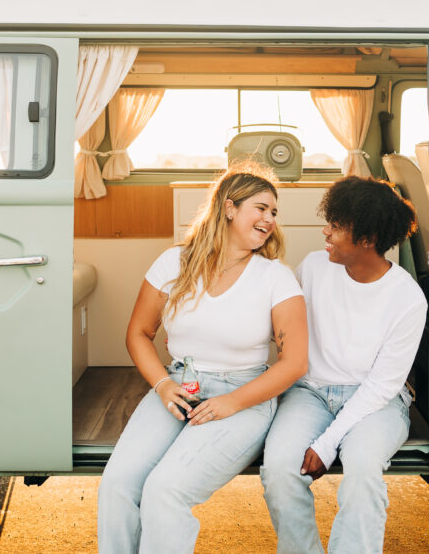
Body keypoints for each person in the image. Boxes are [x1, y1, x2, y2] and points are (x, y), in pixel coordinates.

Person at [97, 165, 308, 554]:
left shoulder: (275, 276)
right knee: (117, 484)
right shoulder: (173, 262)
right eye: (261, 208)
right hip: (179, 387)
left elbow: (294, 363)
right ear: (229, 208)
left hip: (243, 395)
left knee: (165, 490)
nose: (269, 220)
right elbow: (138, 334)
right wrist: (163, 385)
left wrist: (231, 403)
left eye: (274, 213)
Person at [260, 176, 428, 554]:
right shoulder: (314, 267)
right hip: (310, 392)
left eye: (336, 227)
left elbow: (383, 386)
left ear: (367, 239)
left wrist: (328, 441)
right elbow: (284, 326)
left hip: (377, 403)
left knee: (363, 473)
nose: (326, 232)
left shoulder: (408, 298)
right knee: (279, 471)